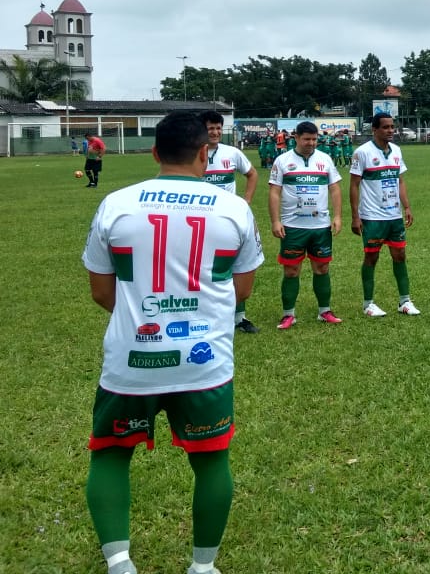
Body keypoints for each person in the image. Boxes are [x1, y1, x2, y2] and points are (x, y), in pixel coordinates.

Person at [81, 110, 264, 574]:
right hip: (204, 362)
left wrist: (142, 318)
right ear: (207, 153)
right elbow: (241, 292)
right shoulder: (233, 209)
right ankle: (203, 567)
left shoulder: (117, 204)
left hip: (131, 360)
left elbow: (102, 291)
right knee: (212, 459)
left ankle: (120, 564)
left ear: (154, 152)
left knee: (110, 453)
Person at [268, 121, 343, 329]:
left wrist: (337, 216)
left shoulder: (325, 159)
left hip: (320, 226)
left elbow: (335, 189)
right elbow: (274, 192)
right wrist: (275, 221)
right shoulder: (282, 161)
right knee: (291, 270)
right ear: (296, 138)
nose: (311, 143)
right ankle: (288, 314)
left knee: (322, 267)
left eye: (314, 139)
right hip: (293, 227)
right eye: (306, 139)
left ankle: (324, 311)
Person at [349, 114, 419, 318]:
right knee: (371, 256)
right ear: (374, 130)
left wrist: (406, 207)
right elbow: (354, 185)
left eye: (392, 127)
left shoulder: (397, 150)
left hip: (394, 215)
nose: (391, 130)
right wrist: (355, 216)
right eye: (386, 127)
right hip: (372, 216)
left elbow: (400, 180)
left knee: (400, 256)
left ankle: (404, 301)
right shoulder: (362, 153)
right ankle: (368, 304)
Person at [200, 111, 260, 334]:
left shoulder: (232, 153)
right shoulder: (195, 154)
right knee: (204, 269)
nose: (215, 132)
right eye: (210, 128)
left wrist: (246, 201)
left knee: (237, 266)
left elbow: (252, 174)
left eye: (217, 128)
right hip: (201, 221)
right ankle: (207, 316)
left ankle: (239, 318)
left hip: (229, 221)